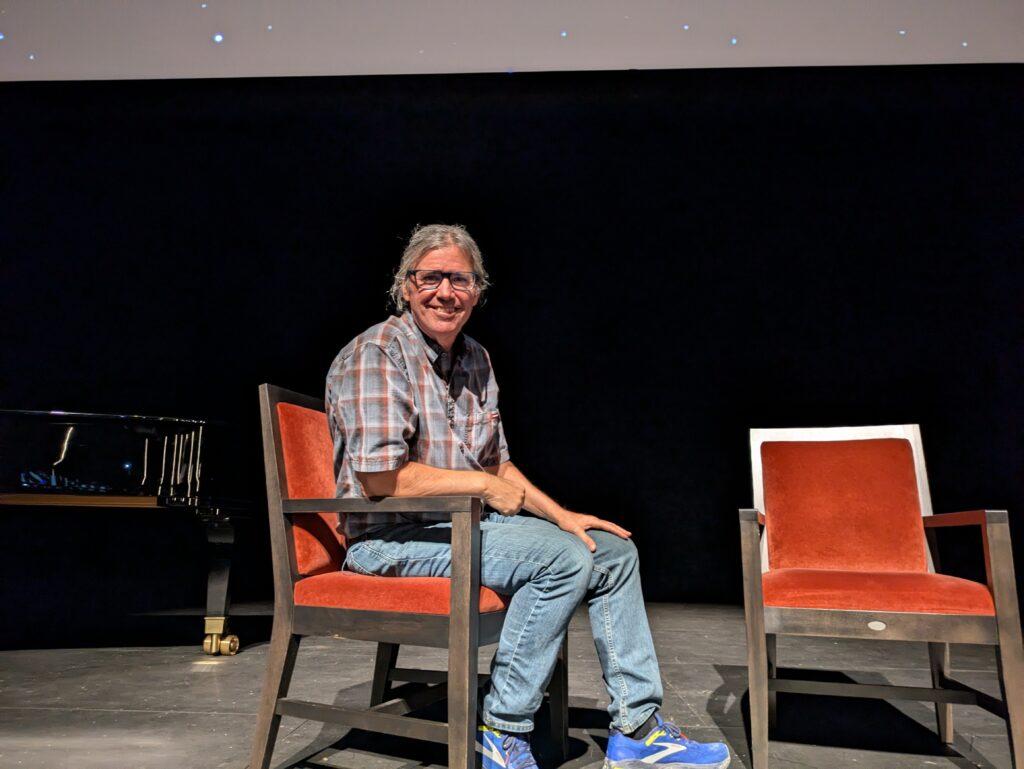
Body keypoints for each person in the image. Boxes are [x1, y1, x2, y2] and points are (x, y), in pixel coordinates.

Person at [326, 224, 730, 769]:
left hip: (465, 529)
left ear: (477, 290)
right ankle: (504, 728)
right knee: (562, 562)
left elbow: (498, 464)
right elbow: (379, 479)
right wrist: (483, 486)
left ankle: (637, 730)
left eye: (460, 280)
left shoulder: (476, 360)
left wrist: (564, 517)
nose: (446, 292)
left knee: (608, 552)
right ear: (404, 286)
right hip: (387, 539)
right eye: (431, 278)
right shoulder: (376, 354)